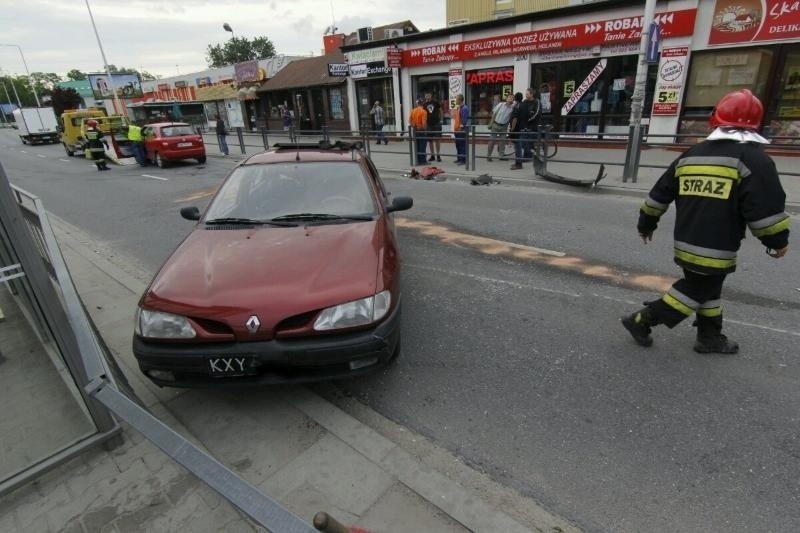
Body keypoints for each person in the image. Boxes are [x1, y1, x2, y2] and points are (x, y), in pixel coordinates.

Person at [620, 89, 790, 354]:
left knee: (709, 289)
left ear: (716, 118)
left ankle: (709, 337)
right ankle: (642, 320)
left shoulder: (691, 154)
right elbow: (765, 210)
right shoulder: (754, 160)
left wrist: (646, 224)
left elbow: (658, 195)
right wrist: (777, 242)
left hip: (686, 240)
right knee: (698, 288)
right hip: (717, 246)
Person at [487, 93, 516, 162]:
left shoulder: (513, 107)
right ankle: (488, 155)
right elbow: (494, 113)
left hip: (504, 125)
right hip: (496, 124)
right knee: (492, 140)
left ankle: (501, 155)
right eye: (509, 97)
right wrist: (491, 123)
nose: (510, 99)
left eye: (512, 98)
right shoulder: (501, 104)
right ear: (506, 98)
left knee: (502, 141)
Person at [423, 92, 442, 162]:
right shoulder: (424, 105)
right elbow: (423, 114)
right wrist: (424, 123)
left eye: (428, 95)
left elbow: (440, 110)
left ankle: (438, 155)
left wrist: (441, 120)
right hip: (429, 124)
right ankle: (432, 155)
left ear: (431, 96)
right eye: (426, 95)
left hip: (436, 123)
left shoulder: (435, 102)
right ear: (425, 97)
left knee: (437, 139)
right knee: (430, 140)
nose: (427, 96)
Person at [508, 92, 525, 170]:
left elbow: (515, 119)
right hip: (521, 128)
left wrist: (512, 129)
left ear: (515, 98)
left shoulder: (516, 106)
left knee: (517, 147)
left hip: (516, 129)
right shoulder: (524, 105)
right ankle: (518, 163)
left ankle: (518, 164)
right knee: (519, 146)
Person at [409, 98, 428, 165]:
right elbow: (424, 123)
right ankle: (423, 161)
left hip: (415, 130)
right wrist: (425, 130)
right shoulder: (424, 112)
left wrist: (413, 126)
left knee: (417, 145)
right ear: (422, 104)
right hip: (421, 130)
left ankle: (418, 160)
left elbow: (410, 121)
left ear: (417, 104)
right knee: (422, 146)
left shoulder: (413, 111)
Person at [452, 94, 469, 165]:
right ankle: (459, 158)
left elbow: (464, 120)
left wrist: (461, 128)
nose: (455, 100)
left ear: (460, 100)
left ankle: (463, 160)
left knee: (462, 145)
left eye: (456, 99)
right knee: (458, 145)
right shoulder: (458, 108)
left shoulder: (464, 108)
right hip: (457, 129)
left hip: (461, 130)